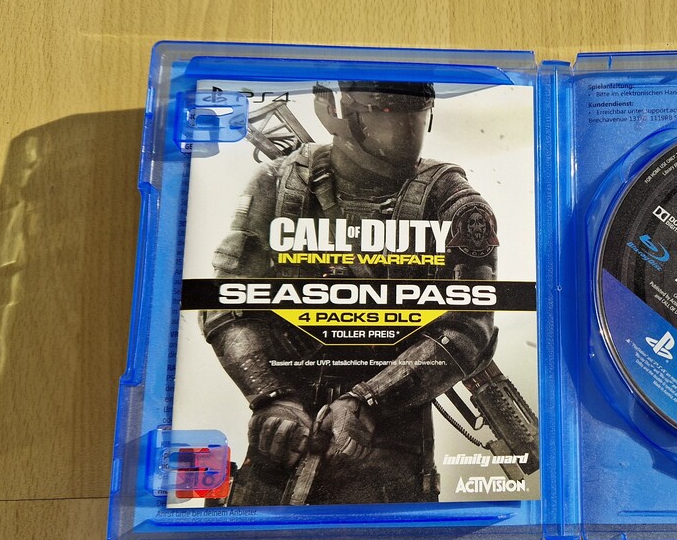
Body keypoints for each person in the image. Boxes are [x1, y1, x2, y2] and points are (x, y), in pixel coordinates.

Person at [199, 80, 499, 505]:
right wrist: (271, 397)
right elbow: (227, 300)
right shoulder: (280, 182)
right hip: (283, 436)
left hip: (389, 443)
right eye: (384, 110)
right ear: (330, 108)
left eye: (413, 113)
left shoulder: (450, 198)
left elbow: (469, 326)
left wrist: (370, 402)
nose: (404, 131)